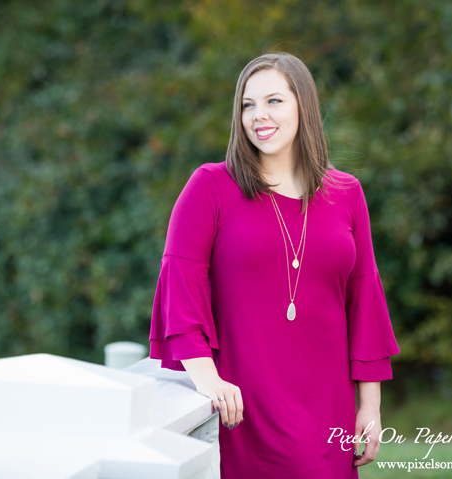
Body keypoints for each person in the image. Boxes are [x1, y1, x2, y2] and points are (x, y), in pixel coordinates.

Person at [148, 52, 400, 479]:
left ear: (304, 105)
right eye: (247, 104)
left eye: (273, 101)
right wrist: (208, 379)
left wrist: (370, 405)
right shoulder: (210, 186)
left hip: (329, 405)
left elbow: (365, 301)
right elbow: (179, 289)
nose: (258, 115)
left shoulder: (347, 193)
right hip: (244, 407)